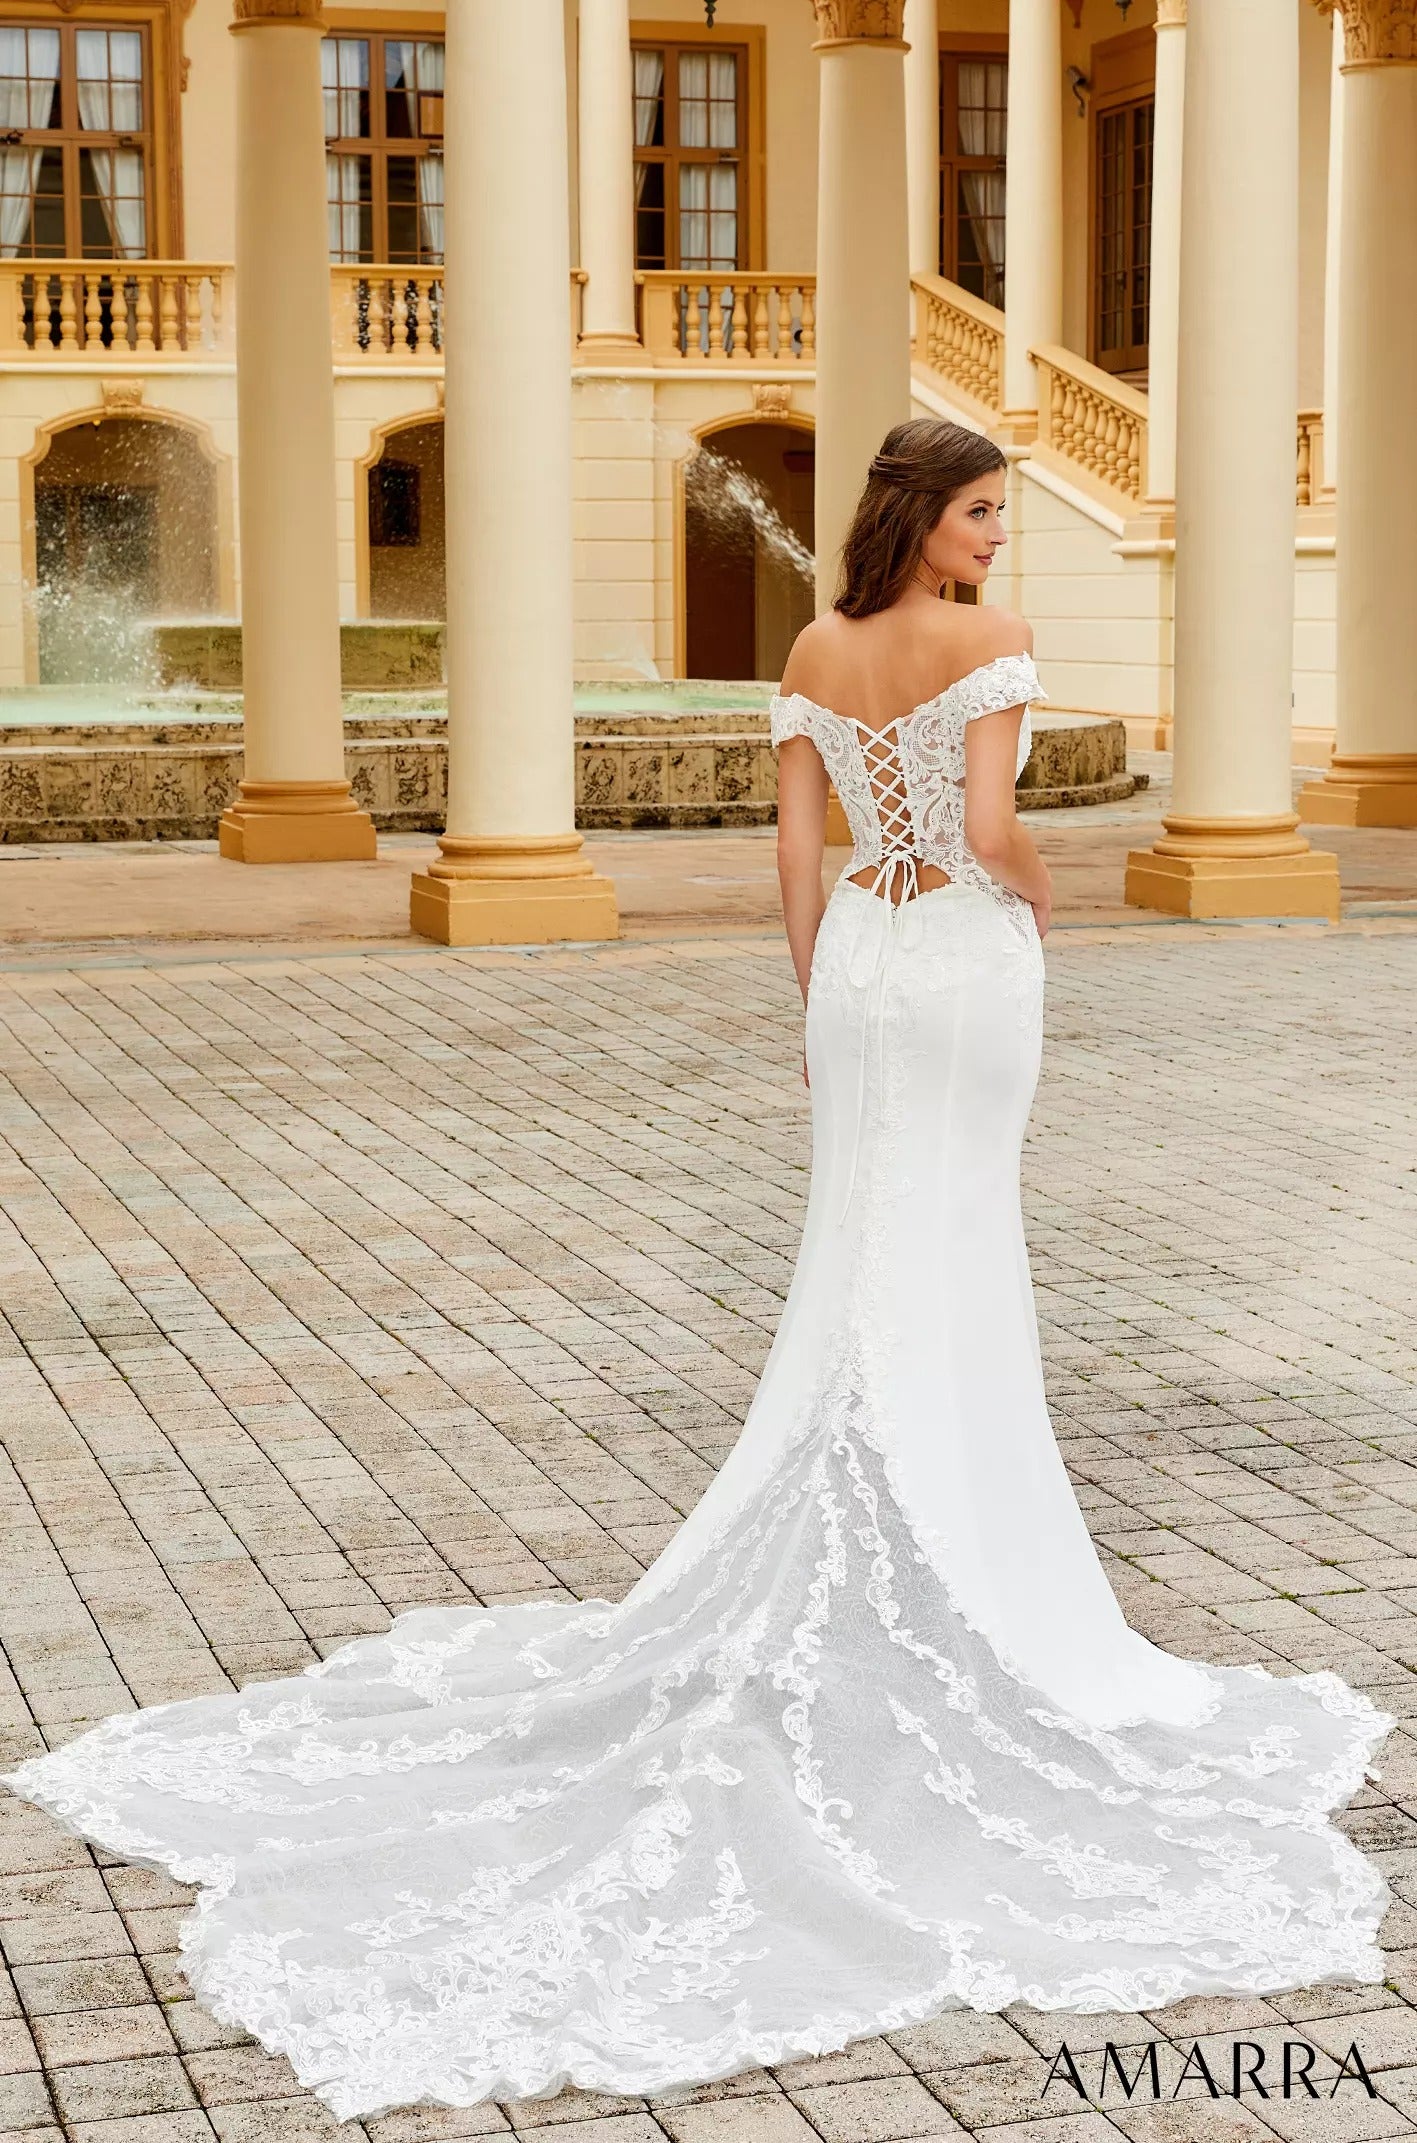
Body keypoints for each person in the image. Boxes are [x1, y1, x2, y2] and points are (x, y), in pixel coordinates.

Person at [4, 419, 1392, 2125]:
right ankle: (969, 1550)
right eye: (976, 515)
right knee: (957, 1245)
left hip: (863, 973)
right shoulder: (992, 648)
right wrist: (1041, 908)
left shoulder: (814, 646)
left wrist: (819, 992)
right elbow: (984, 823)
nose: (992, 545)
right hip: (960, 963)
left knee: (869, 1245)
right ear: (921, 516)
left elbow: (793, 857)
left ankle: (878, 1506)